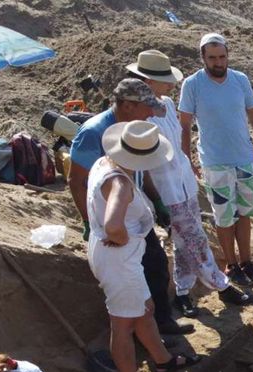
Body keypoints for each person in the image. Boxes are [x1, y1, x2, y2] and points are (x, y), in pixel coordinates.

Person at [126, 49, 253, 316]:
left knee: (184, 243)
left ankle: (182, 293)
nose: (171, 85)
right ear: (148, 82)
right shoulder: (139, 116)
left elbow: (179, 139)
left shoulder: (168, 106)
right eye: (165, 80)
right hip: (165, 188)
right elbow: (142, 163)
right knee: (196, 239)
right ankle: (221, 285)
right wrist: (155, 199)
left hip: (183, 183)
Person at [87, 120, 203, 372]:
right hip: (120, 262)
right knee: (123, 325)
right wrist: (123, 237)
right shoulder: (121, 183)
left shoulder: (104, 163)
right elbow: (114, 225)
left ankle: (162, 360)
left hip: (117, 258)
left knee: (145, 308)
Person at [69, 79, 193, 336]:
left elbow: (141, 166)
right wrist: (87, 222)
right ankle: (145, 335)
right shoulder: (94, 133)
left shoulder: (134, 129)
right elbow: (76, 180)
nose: (150, 114)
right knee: (135, 280)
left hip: (135, 211)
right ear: (127, 105)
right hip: (113, 218)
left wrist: (156, 201)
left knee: (156, 266)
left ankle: (162, 323)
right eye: (146, 108)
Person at [179, 33, 253, 288]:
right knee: (224, 217)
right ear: (203, 57)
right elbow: (185, 125)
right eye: (212, 58)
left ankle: (246, 262)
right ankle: (231, 265)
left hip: (244, 158)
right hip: (214, 161)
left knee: (244, 214)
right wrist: (186, 159)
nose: (218, 62)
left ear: (228, 55)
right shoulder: (192, 85)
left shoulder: (240, 80)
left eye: (222, 57)